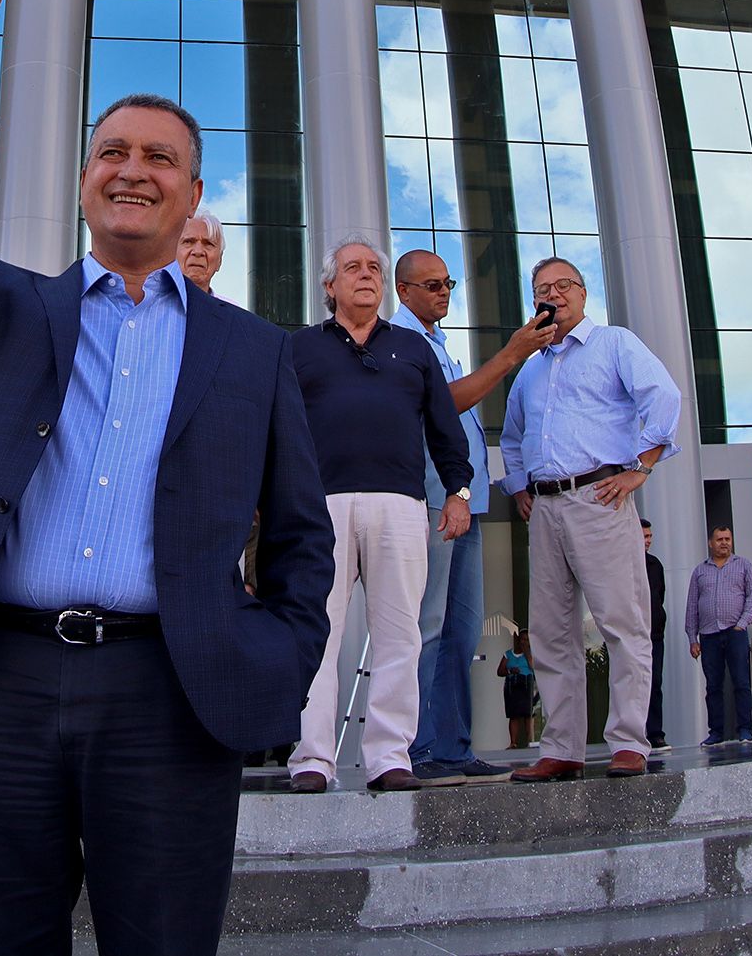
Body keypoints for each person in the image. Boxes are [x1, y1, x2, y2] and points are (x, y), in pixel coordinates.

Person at [0, 0, 332, 956]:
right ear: (86, 180)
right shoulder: (9, 312)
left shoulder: (255, 352)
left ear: (191, 194)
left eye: (157, 158)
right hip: (3, 682)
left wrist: (278, 650)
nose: (131, 170)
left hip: (169, 693)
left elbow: (303, 536)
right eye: (111, 153)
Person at [289, 235, 473, 795]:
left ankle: (390, 756)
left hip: (401, 506)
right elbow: (279, 430)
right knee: (316, 634)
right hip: (322, 508)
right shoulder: (298, 348)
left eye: (374, 267)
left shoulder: (413, 349)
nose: (365, 274)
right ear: (330, 285)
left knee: (400, 635)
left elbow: (445, 427)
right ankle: (312, 760)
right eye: (352, 267)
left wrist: (460, 491)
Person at [500, 257, 682, 782]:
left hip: (600, 498)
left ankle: (629, 741)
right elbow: (512, 438)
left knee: (622, 624)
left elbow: (663, 397)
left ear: (582, 293)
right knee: (552, 633)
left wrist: (640, 468)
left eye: (563, 285)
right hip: (545, 508)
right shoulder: (530, 369)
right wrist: (518, 488)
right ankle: (562, 749)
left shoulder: (615, 344)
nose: (553, 294)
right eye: (542, 288)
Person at [391, 249, 552, 786]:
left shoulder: (438, 344)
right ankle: (416, 748)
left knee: (462, 631)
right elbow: (445, 405)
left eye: (448, 283)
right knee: (429, 627)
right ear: (404, 291)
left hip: (468, 503)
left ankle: (454, 747)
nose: (443, 292)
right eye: (431, 284)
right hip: (434, 502)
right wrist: (511, 355)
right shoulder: (403, 342)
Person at [684, 525, 752, 744]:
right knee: (713, 686)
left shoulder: (743, 565)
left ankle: (745, 729)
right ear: (710, 543)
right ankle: (715, 732)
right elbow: (692, 606)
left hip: (735, 632)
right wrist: (692, 638)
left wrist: (742, 624)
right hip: (709, 635)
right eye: (719, 539)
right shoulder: (700, 571)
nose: (724, 542)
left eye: (727, 539)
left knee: (741, 682)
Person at [642, 519, 668, 750]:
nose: (648, 541)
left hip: (655, 635)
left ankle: (655, 734)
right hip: (632, 635)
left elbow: (659, 596)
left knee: (655, 683)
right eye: (644, 537)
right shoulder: (623, 564)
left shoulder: (655, 565)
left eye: (649, 537)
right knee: (633, 684)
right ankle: (633, 735)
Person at [499, 629, 536, 749]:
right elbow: (500, 671)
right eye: (523, 639)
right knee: (514, 714)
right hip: (512, 684)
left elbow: (533, 667)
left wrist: (527, 652)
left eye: (527, 640)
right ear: (518, 640)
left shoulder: (531, 654)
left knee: (528, 713)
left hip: (526, 683)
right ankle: (513, 742)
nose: (525, 642)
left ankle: (529, 741)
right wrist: (510, 671)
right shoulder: (508, 654)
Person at [176, 212, 224, 294]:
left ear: (219, 260)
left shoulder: (232, 306)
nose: (198, 251)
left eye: (208, 244)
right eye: (188, 242)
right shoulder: (150, 304)